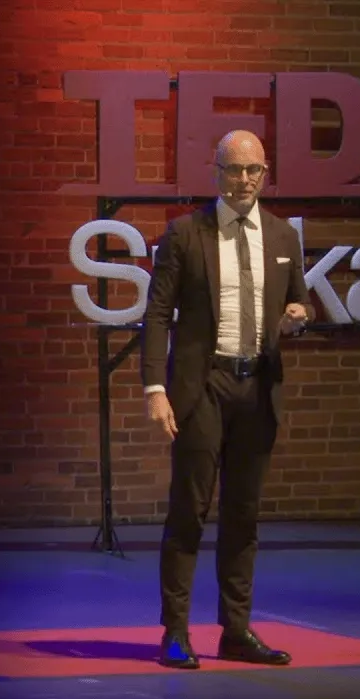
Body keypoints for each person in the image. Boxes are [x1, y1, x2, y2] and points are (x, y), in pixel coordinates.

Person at [140, 129, 313, 669]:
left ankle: (235, 631)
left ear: (265, 173)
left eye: (252, 170)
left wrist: (298, 318)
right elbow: (157, 314)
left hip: (257, 386)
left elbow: (300, 303)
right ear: (216, 172)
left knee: (243, 515)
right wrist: (155, 389)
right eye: (233, 170)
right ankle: (175, 632)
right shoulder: (185, 233)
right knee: (188, 512)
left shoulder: (283, 236)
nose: (243, 180)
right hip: (203, 387)